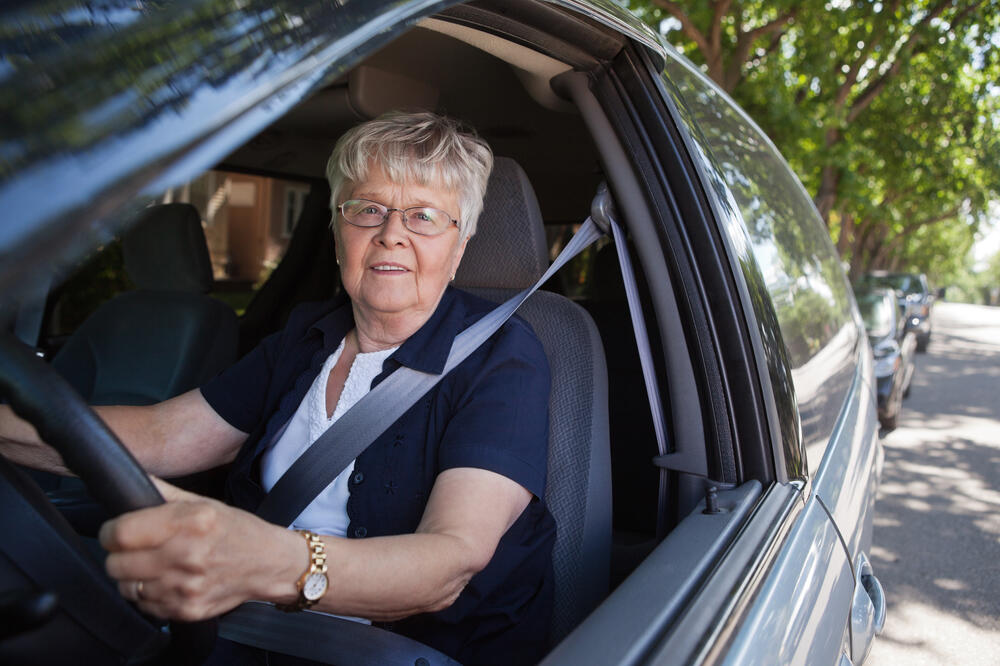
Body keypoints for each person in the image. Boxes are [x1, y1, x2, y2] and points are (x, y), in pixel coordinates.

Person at [0, 111, 555, 665]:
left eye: (425, 217)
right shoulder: (306, 336)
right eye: (367, 210)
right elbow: (161, 435)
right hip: (251, 630)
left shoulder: (502, 357)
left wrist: (267, 560)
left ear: (460, 244)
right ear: (338, 232)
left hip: (405, 652)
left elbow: (448, 562)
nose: (391, 234)